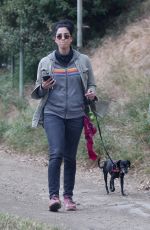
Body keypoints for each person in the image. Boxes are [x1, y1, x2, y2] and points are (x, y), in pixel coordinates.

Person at [31, 19, 96, 212]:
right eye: (59, 36)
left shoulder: (83, 61)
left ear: (71, 38)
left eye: (66, 36)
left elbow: (92, 84)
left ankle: (68, 197)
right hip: (53, 113)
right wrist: (43, 87)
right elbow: (37, 90)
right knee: (56, 153)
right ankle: (53, 197)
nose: (63, 39)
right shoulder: (45, 62)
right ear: (55, 39)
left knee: (70, 156)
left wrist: (91, 93)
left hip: (76, 114)